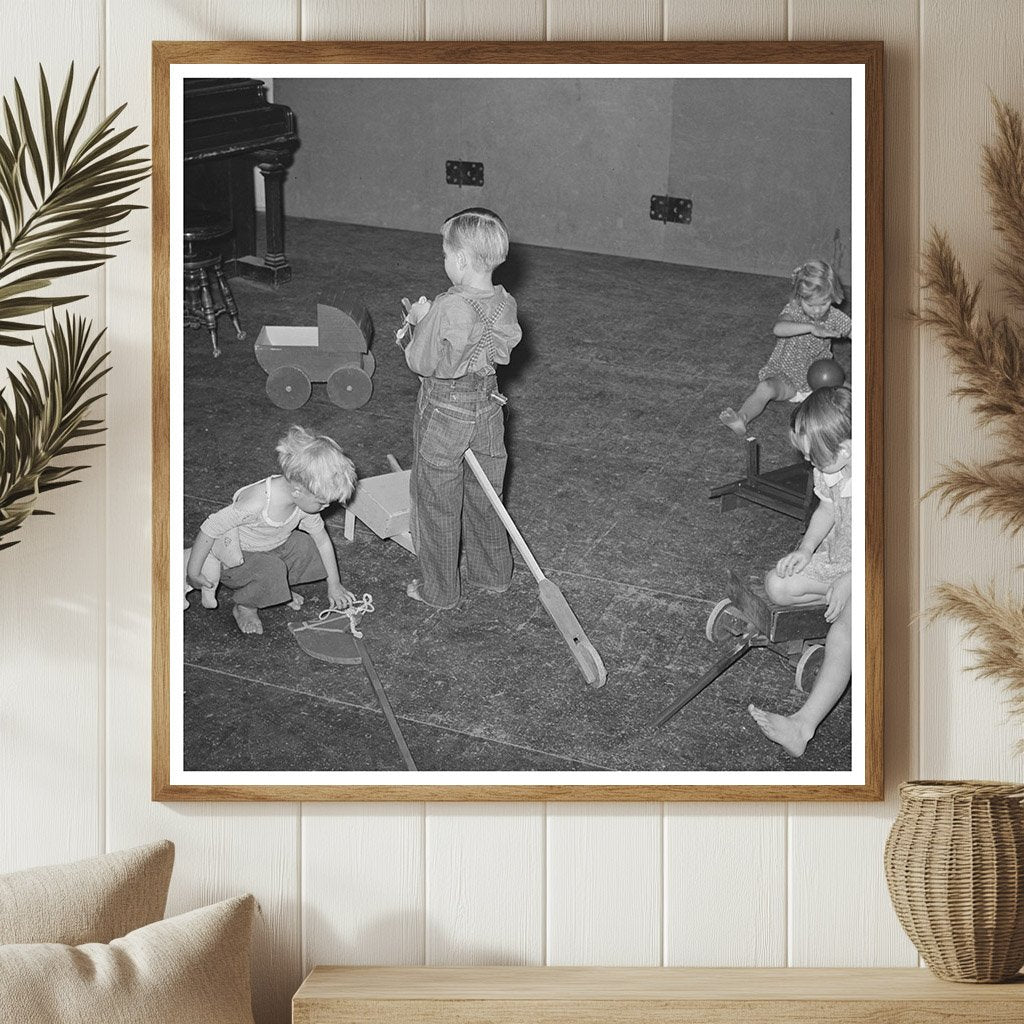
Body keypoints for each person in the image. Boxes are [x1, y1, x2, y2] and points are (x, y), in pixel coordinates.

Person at [397, 207, 523, 609]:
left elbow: (420, 361)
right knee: (487, 494)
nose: (445, 262)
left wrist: (419, 320)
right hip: (488, 406)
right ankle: (494, 575)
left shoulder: (448, 306)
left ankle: (441, 591)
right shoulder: (506, 302)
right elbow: (495, 348)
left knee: (436, 501)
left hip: (445, 409)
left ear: (463, 260)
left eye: (446, 255)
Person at [748, 386, 853, 757]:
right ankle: (843, 608)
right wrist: (806, 549)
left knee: (846, 631)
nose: (810, 464)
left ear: (846, 450)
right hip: (842, 557)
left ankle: (801, 726)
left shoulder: (880, 479)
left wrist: (854, 581)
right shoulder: (833, 467)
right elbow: (826, 510)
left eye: (814, 457)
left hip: (882, 566)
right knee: (777, 584)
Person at [185, 425, 357, 635]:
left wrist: (335, 584)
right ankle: (246, 606)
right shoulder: (257, 502)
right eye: (321, 503)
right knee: (271, 570)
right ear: (297, 490)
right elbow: (210, 528)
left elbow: (322, 541)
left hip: (270, 547)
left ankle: (276, 590)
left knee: (306, 547)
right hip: (235, 559)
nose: (325, 508)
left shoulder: (303, 500)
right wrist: (193, 573)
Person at [720, 259, 851, 437]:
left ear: (833, 296)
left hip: (820, 380)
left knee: (850, 391)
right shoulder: (793, 310)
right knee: (765, 388)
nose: (818, 310)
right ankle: (742, 417)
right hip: (786, 378)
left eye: (824, 303)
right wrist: (812, 328)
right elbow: (778, 328)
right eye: (811, 305)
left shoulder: (835, 317)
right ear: (799, 298)